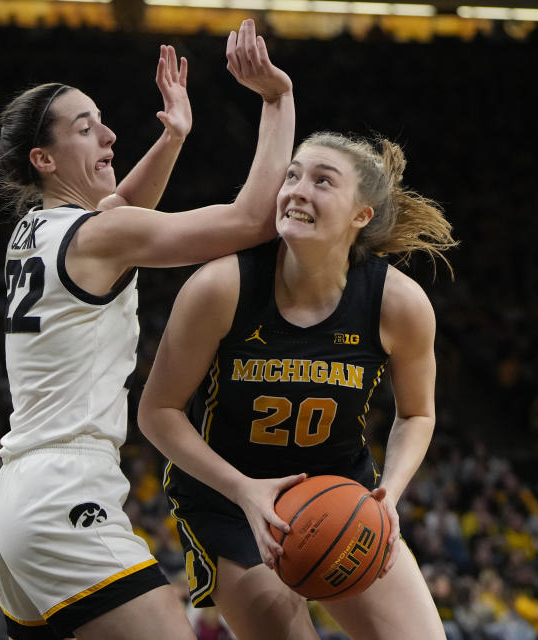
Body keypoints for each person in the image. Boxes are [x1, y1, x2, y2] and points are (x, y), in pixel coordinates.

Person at [0, 19, 295, 640]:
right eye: (86, 128)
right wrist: (277, 100)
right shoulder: (96, 236)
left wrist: (171, 138)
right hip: (65, 493)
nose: (111, 134)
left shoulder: (33, 232)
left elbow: (117, 210)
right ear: (44, 158)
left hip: (16, 505)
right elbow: (254, 218)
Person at [138, 131, 458, 639]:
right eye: (292, 175)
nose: (297, 190)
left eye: (322, 181)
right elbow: (157, 412)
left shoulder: (399, 303)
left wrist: (388, 494)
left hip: (339, 494)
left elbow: (417, 415)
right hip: (229, 502)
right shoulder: (221, 287)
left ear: (361, 216)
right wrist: (245, 491)